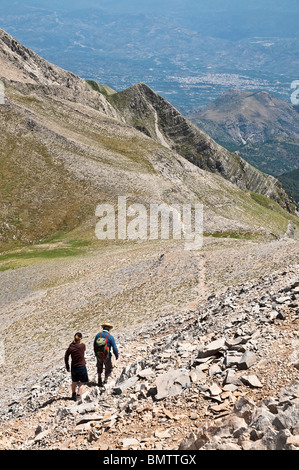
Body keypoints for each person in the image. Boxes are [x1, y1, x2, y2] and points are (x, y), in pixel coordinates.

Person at [65, 332, 89, 401]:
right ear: (80, 339)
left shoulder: (71, 347)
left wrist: (67, 366)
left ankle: (73, 394)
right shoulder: (82, 346)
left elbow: (66, 356)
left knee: (74, 381)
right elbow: (83, 349)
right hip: (81, 366)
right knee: (82, 382)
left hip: (74, 367)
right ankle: (78, 395)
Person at [94, 322, 119, 387]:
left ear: (103, 328)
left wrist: (96, 353)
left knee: (99, 365)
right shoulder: (110, 337)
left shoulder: (98, 335)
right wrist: (116, 355)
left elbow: (94, 345)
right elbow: (114, 347)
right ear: (109, 329)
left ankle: (99, 378)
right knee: (108, 367)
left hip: (98, 354)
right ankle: (105, 380)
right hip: (106, 355)